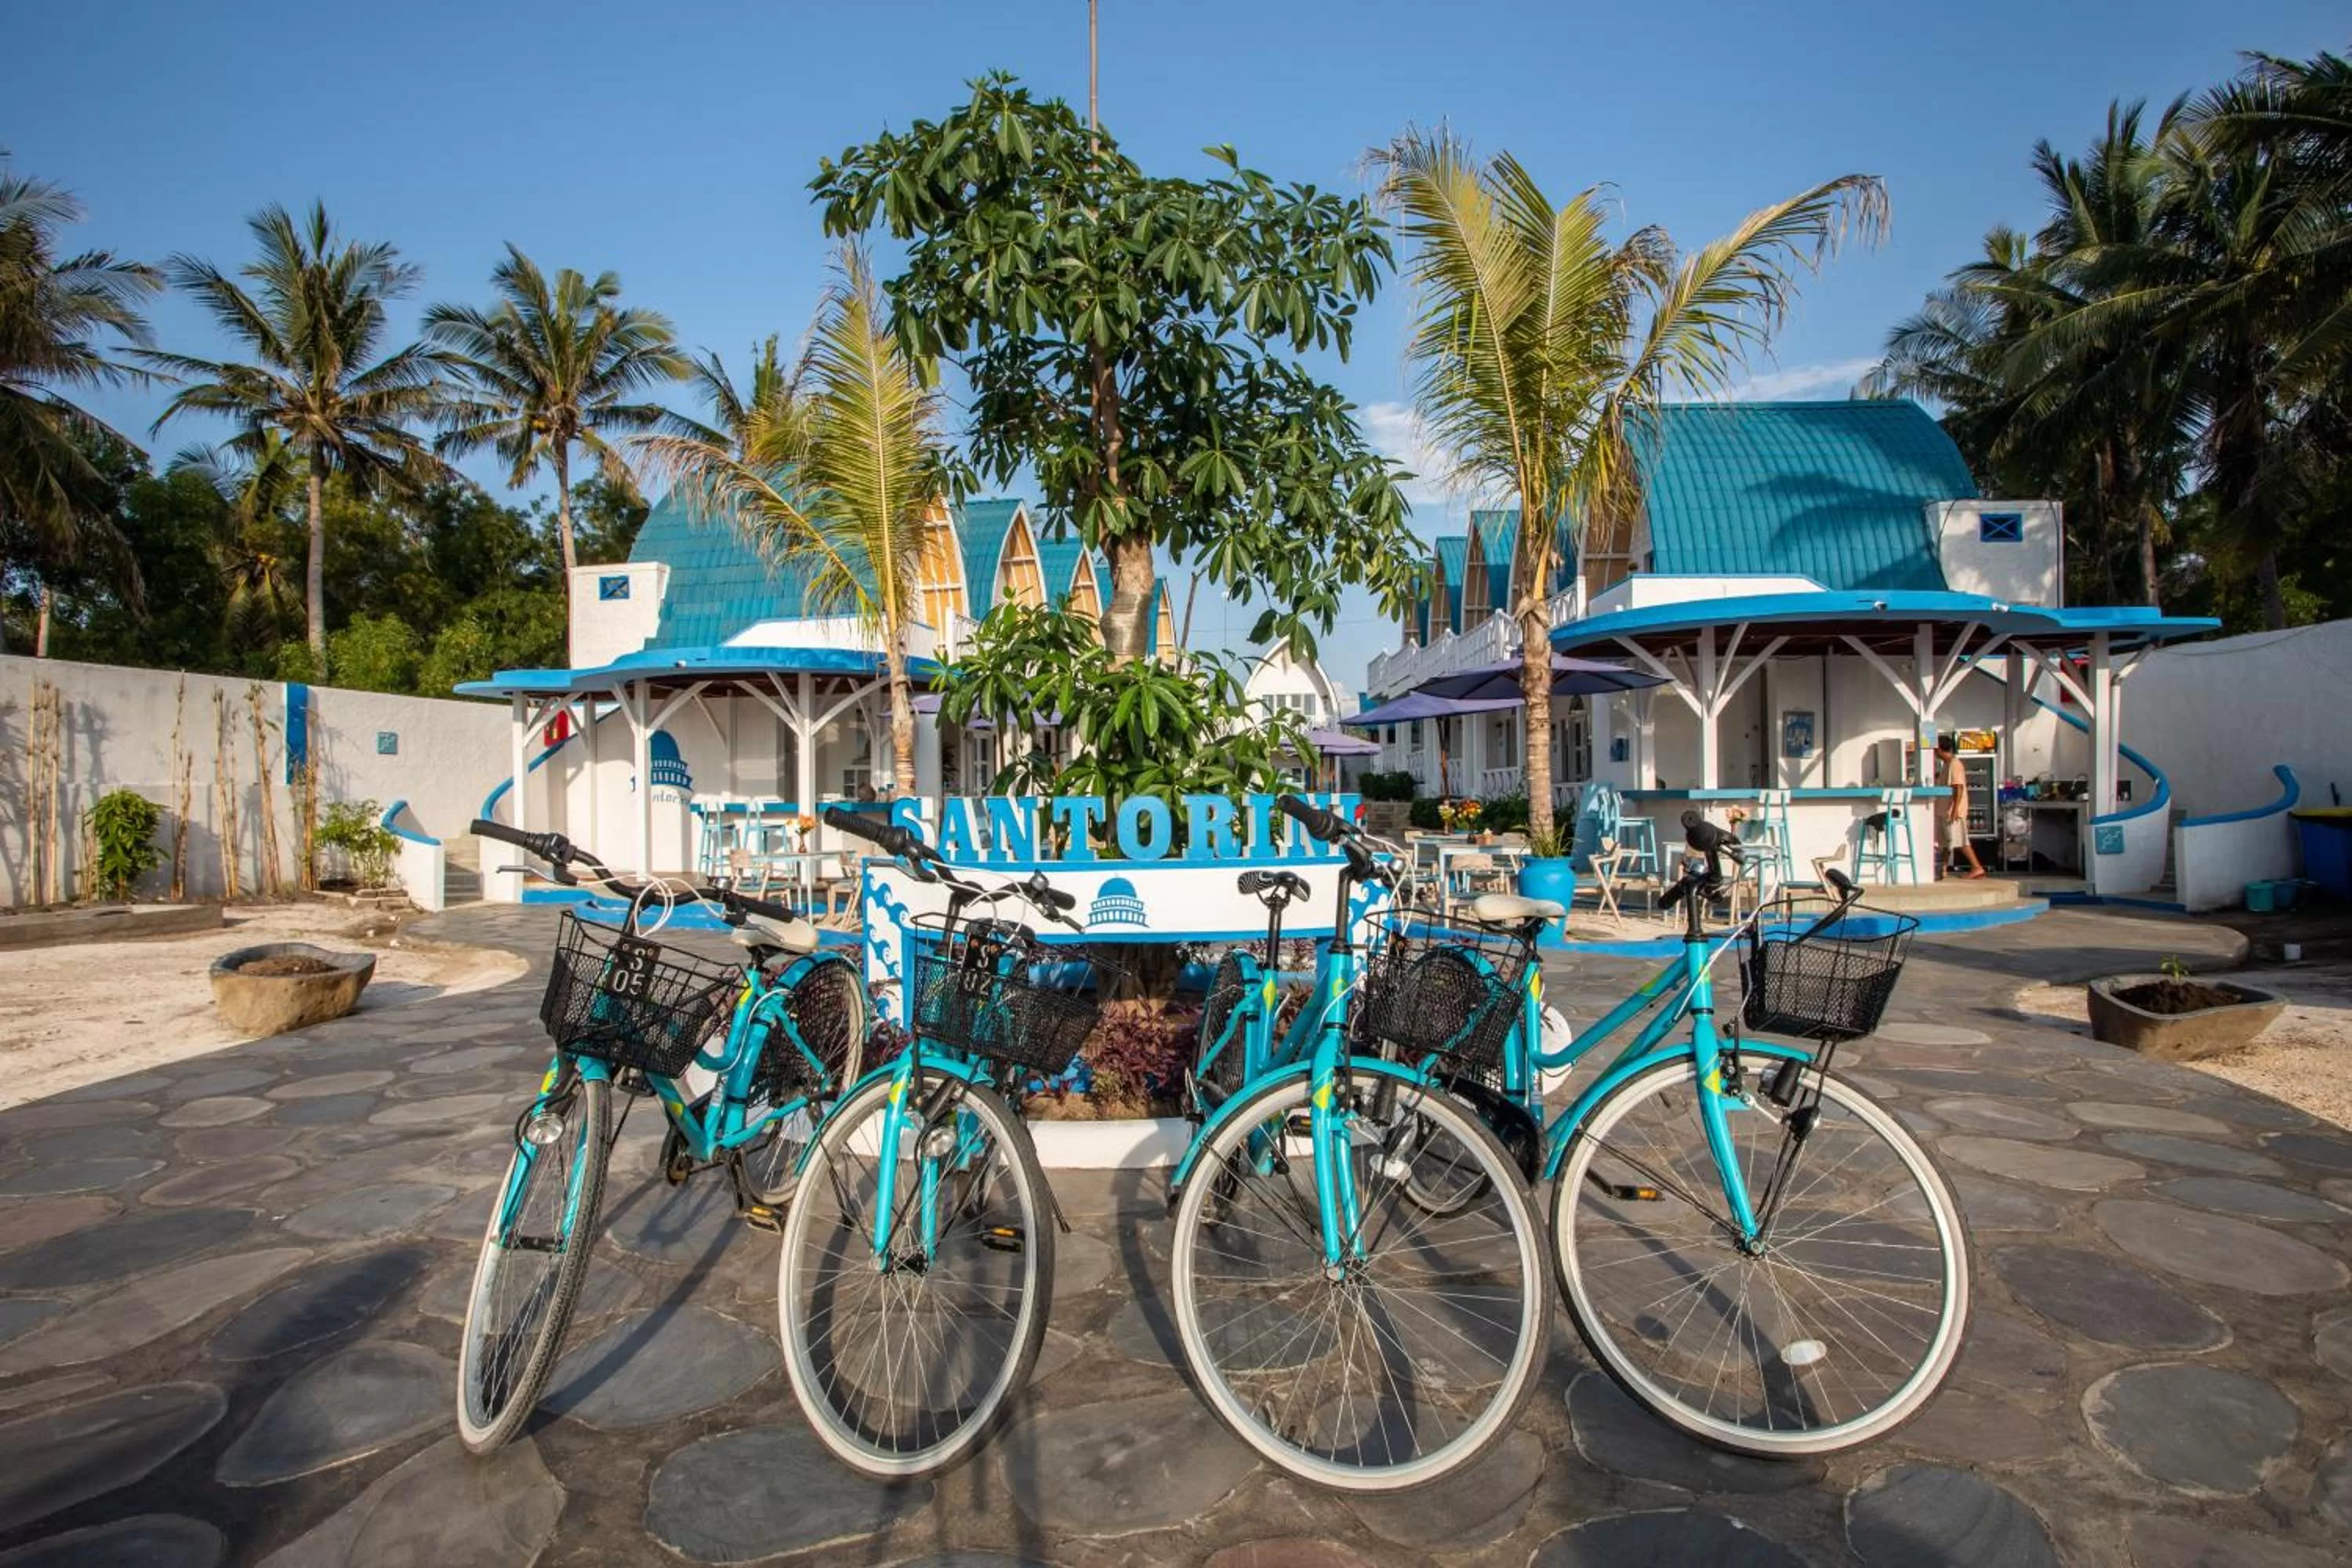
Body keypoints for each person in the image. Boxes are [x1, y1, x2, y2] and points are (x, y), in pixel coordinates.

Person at [1935, 735, 1987, 879]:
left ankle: (1977, 867)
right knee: (1946, 842)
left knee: (1961, 840)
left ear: (1939, 748)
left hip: (1952, 810)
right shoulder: (1946, 765)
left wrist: (1955, 809)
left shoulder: (1954, 764)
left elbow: (1958, 788)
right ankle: (1943, 869)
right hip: (1944, 809)